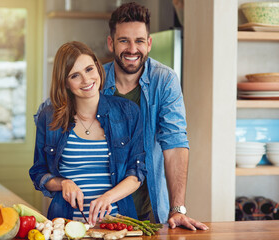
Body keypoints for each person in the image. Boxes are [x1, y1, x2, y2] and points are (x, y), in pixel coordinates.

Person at [102, 2, 208, 230]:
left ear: (149, 44)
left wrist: (177, 208)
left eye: (139, 41)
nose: (132, 49)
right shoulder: (95, 81)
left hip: (150, 207)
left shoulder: (165, 80)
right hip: (102, 208)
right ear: (111, 43)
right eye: (124, 40)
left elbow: (175, 142)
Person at [29, 41, 146, 225]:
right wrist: (63, 183)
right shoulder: (49, 116)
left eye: (89, 69)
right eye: (75, 75)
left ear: (98, 68)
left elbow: (137, 172)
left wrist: (108, 197)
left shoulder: (128, 112)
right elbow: (38, 172)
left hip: (118, 225)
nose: (86, 80)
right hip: (65, 226)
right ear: (65, 82)